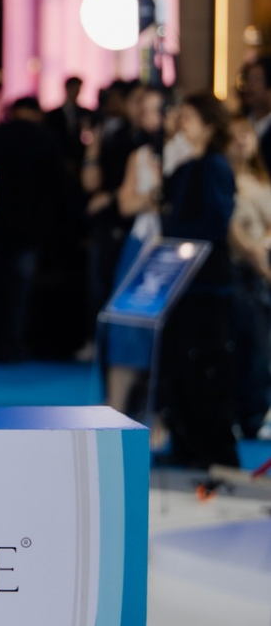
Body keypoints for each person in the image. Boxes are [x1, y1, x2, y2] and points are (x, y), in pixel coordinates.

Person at [157, 92, 240, 469]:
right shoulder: (189, 165)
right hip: (182, 280)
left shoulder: (213, 166)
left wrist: (175, 234)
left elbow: (215, 223)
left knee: (205, 368)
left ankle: (214, 450)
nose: (181, 123)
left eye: (189, 117)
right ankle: (187, 444)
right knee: (181, 367)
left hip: (206, 285)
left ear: (209, 125)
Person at [0, 96, 67, 361]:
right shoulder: (47, 139)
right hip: (30, 230)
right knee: (19, 293)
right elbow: (57, 189)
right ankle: (11, 345)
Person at [101, 87, 166, 415]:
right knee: (126, 323)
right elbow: (126, 204)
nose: (149, 118)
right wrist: (155, 198)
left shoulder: (189, 155)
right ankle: (115, 407)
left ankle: (160, 414)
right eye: (144, 110)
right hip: (141, 243)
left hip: (174, 248)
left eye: (156, 110)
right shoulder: (138, 155)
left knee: (166, 333)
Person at [226, 116, 271, 438]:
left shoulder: (262, 181)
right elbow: (232, 231)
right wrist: (260, 264)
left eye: (247, 135)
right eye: (235, 136)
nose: (242, 141)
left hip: (263, 264)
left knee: (261, 345)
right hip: (240, 270)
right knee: (248, 344)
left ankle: (256, 412)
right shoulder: (223, 180)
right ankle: (246, 414)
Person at [45, 75, 95, 172]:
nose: (76, 92)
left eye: (78, 89)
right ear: (67, 88)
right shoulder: (53, 115)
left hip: (80, 160)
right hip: (58, 160)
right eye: (73, 88)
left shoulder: (86, 114)